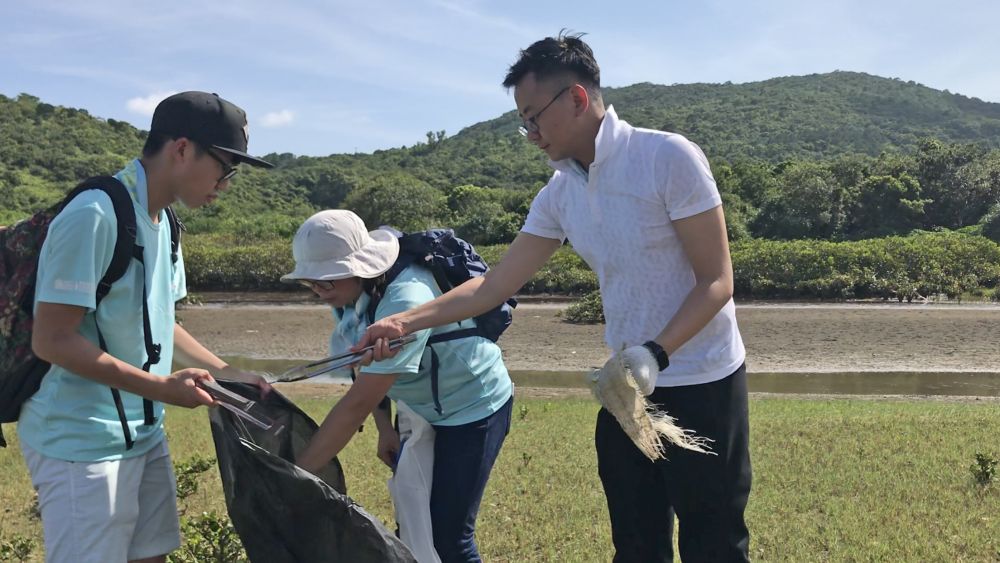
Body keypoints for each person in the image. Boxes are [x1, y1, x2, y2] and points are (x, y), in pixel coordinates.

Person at [358, 33, 752, 562]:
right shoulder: (561, 192)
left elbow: (717, 281)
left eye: (533, 117)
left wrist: (653, 353)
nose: (530, 134)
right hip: (625, 387)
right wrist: (403, 322)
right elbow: (495, 285)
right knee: (635, 544)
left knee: (714, 541)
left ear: (576, 98)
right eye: (523, 122)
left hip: (704, 378)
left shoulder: (666, 157)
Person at [23, 91, 274, 563]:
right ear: (181, 149)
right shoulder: (95, 214)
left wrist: (227, 373)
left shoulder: (166, 223)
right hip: (81, 440)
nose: (227, 182)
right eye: (225, 165)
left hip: (143, 433)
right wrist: (161, 388)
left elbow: (162, 325)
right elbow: (52, 339)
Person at [287, 210, 514, 563]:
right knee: (412, 521)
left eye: (326, 281)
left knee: (449, 537)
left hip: (473, 407)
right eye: (310, 282)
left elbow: (355, 406)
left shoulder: (406, 297)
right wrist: (383, 429)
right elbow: (365, 369)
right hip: (418, 406)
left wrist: (295, 475)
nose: (318, 290)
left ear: (359, 267)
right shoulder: (351, 295)